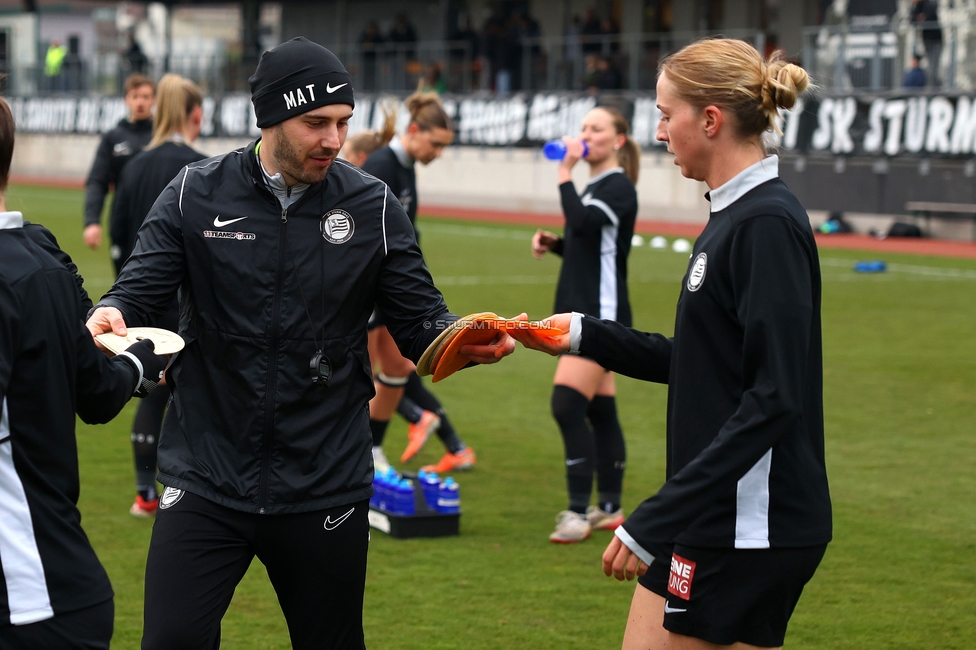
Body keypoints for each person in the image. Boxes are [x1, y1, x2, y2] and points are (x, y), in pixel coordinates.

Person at [84, 37, 513, 649]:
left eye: (343, 123)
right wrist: (110, 313)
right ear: (270, 120)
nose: (334, 140)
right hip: (207, 476)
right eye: (316, 123)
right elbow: (137, 292)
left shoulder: (373, 206)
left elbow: (422, 323)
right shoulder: (193, 193)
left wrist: (461, 341)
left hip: (324, 483)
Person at [511, 39, 830, 649]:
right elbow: (705, 364)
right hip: (716, 517)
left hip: (747, 527)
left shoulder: (764, 224)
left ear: (709, 119)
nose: (657, 133)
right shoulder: (733, 216)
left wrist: (654, 517)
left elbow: (774, 396)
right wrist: (580, 333)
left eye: (664, 114)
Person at [0, 95, 167, 650]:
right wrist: (140, 358)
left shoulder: (34, 266)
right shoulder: (39, 264)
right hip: (48, 590)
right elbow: (97, 393)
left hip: (34, 595)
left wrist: (129, 358)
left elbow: (94, 391)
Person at [530, 106, 639, 544]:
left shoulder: (617, 187)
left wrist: (563, 172)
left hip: (601, 315)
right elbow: (589, 244)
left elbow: (582, 221)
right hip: (591, 311)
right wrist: (557, 245)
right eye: (583, 128)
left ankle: (577, 514)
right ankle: (610, 508)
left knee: (566, 405)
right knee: (600, 410)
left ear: (618, 141)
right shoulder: (599, 186)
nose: (585, 134)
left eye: (596, 128)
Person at [360, 90, 479, 475]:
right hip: (371, 285)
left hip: (391, 285)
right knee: (362, 373)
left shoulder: (405, 162)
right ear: (414, 130)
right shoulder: (381, 164)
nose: (438, 153)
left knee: (397, 368)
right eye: (436, 144)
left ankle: (373, 451)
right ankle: (353, 454)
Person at [109, 73, 207, 517]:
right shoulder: (206, 171)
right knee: (191, 394)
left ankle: (146, 492)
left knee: (150, 390)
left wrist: (126, 305)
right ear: (197, 116)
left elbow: (119, 236)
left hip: (141, 305)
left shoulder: (133, 167)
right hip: (191, 309)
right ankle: (192, 491)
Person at [82, 74, 156, 254]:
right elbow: (97, 181)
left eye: (146, 97)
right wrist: (92, 221)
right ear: (126, 100)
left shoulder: (161, 137)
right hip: (123, 223)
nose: (140, 102)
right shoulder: (113, 138)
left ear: (154, 100)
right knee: (124, 280)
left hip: (157, 222)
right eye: (135, 96)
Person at [911, 0, 942, 87]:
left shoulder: (928, 4)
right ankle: (935, 86)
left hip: (936, 41)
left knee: (933, 67)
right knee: (930, 66)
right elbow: (912, 20)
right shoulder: (917, 7)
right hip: (927, 41)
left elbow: (929, 16)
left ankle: (935, 87)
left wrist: (921, 18)